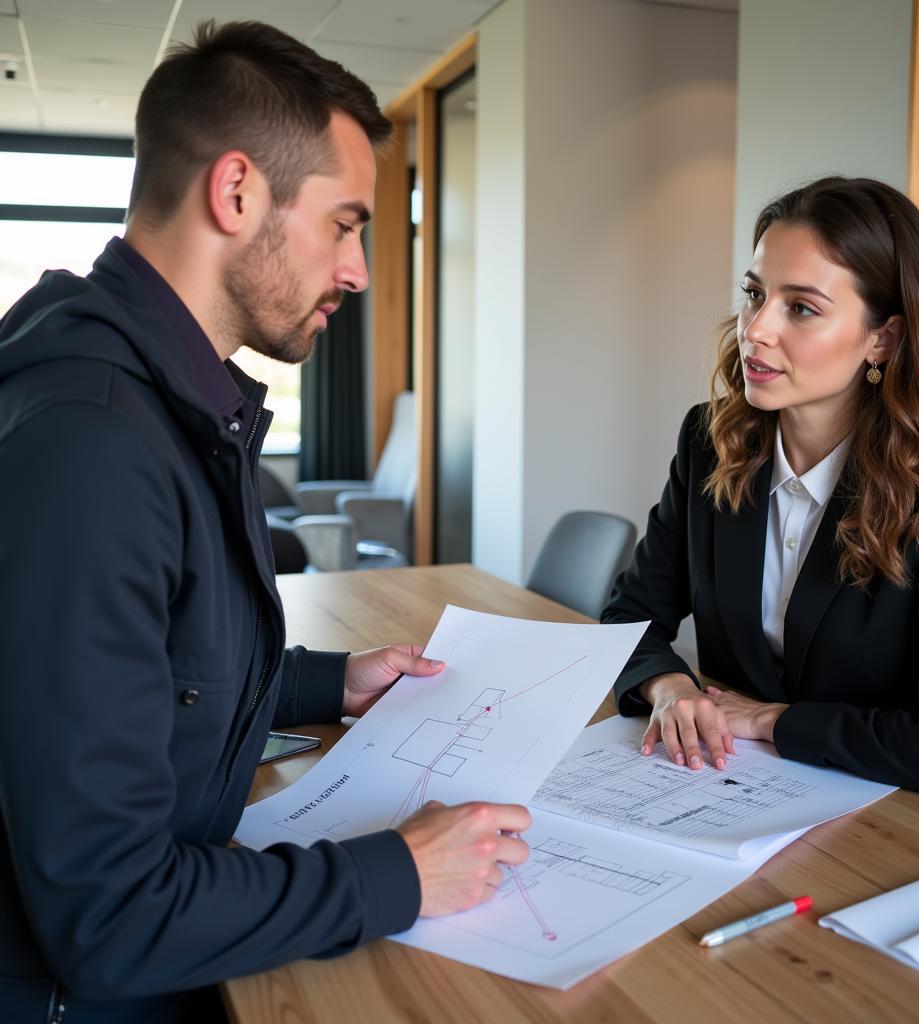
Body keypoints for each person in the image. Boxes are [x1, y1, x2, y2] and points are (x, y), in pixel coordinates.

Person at [0, 21, 529, 1024]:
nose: (360, 271)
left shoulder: (169, 401)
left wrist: (330, 678)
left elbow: (144, 666)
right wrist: (401, 873)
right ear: (237, 192)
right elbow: (110, 914)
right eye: (343, 224)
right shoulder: (93, 447)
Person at [603, 175, 919, 805]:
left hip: (911, 816)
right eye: (754, 293)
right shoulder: (708, 441)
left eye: (801, 307)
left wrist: (772, 719)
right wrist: (670, 686)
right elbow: (629, 618)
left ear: (884, 338)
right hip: (742, 794)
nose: (755, 329)